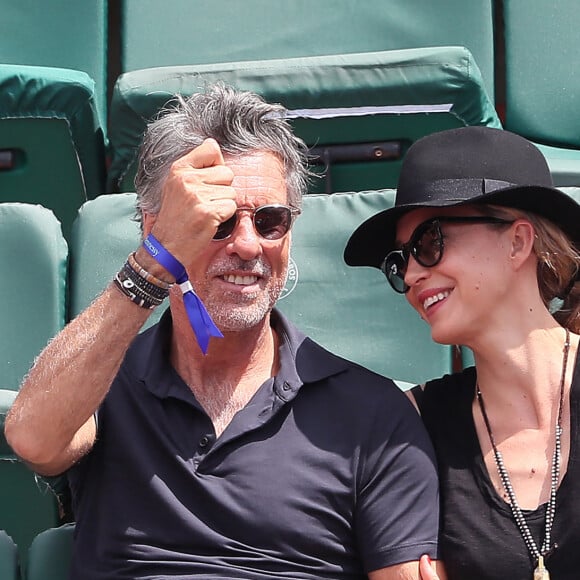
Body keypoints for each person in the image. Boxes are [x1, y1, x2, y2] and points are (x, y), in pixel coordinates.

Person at [5, 83, 440, 579]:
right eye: (219, 221)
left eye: (271, 220)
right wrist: (153, 263)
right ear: (157, 228)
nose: (249, 245)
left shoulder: (370, 411)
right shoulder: (102, 383)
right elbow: (33, 438)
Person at [344, 126, 580, 580]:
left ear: (518, 242)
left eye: (429, 242)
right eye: (399, 261)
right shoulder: (410, 424)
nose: (411, 273)